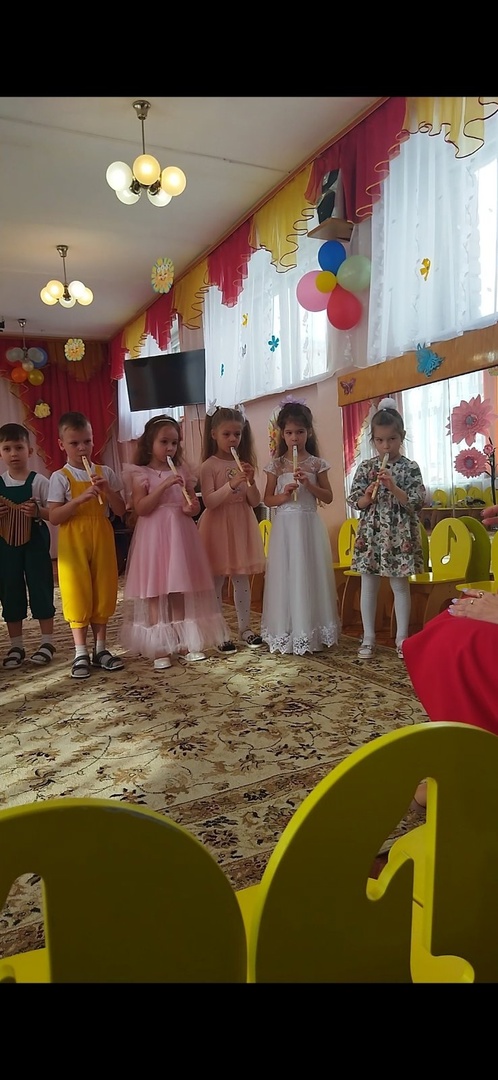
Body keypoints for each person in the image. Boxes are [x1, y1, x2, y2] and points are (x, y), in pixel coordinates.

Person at [120, 415, 230, 670]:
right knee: (155, 591)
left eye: (174, 443)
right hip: (153, 537)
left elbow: (194, 506)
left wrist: (191, 507)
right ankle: (160, 645)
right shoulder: (141, 473)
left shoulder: (182, 472)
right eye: (164, 442)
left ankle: (181, 642)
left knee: (178, 588)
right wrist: (164, 485)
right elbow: (142, 508)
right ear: (150, 444)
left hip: (179, 535)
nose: (170, 448)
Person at [48, 411, 126, 679]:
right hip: (73, 538)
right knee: (77, 590)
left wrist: (107, 491)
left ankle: (100, 649)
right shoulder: (60, 477)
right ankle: (80, 651)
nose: (82, 448)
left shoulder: (106, 472)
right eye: (74, 443)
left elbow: (121, 510)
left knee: (104, 588)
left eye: (87, 441)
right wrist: (79, 500)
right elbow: (55, 517)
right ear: (62, 445)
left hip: (102, 534)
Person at [347, 397, 426, 660]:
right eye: (380, 440)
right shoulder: (366, 467)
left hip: (399, 534)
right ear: (373, 440)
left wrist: (393, 487)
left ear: (401, 437)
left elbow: (415, 502)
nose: (385, 446)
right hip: (372, 533)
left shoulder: (410, 467)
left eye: (391, 439)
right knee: (368, 585)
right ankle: (368, 637)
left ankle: (402, 639)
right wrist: (367, 496)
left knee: (399, 587)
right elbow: (355, 501)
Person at [260, 400, 340, 655]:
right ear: (282, 434)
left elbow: (328, 497)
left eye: (300, 432)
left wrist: (309, 485)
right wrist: (284, 494)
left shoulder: (317, 464)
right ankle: (286, 629)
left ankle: (310, 630)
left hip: (308, 525)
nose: (295, 438)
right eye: (289, 432)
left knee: (308, 573)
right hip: (285, 527)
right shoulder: (276, 465)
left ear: (309, 432)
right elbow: (267, 499)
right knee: (287, 574)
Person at [197, 405, 266, 653]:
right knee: (216, 580)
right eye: (226, 434)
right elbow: (210, 501)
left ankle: (245, 628)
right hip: (217, 526)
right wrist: (232, 484)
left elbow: (254, 501)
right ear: (214, 434)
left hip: (241, 524)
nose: (232, 439)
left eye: (237, 434)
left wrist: (250, 481)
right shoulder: (208, 466)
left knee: (241, 578)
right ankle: (220, 632)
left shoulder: (244, 464)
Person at [0, 423, 56, 668]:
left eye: (19, 447)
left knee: (40, 586)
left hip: (35, 543)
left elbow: (54, 514)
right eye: (7, 448)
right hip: (5, 546)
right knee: (9, 589)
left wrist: (37, 511)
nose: (13, 454)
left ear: (30, 451)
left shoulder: (40, 481)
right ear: (0, 453)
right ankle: (16, 645)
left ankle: (47, 642)